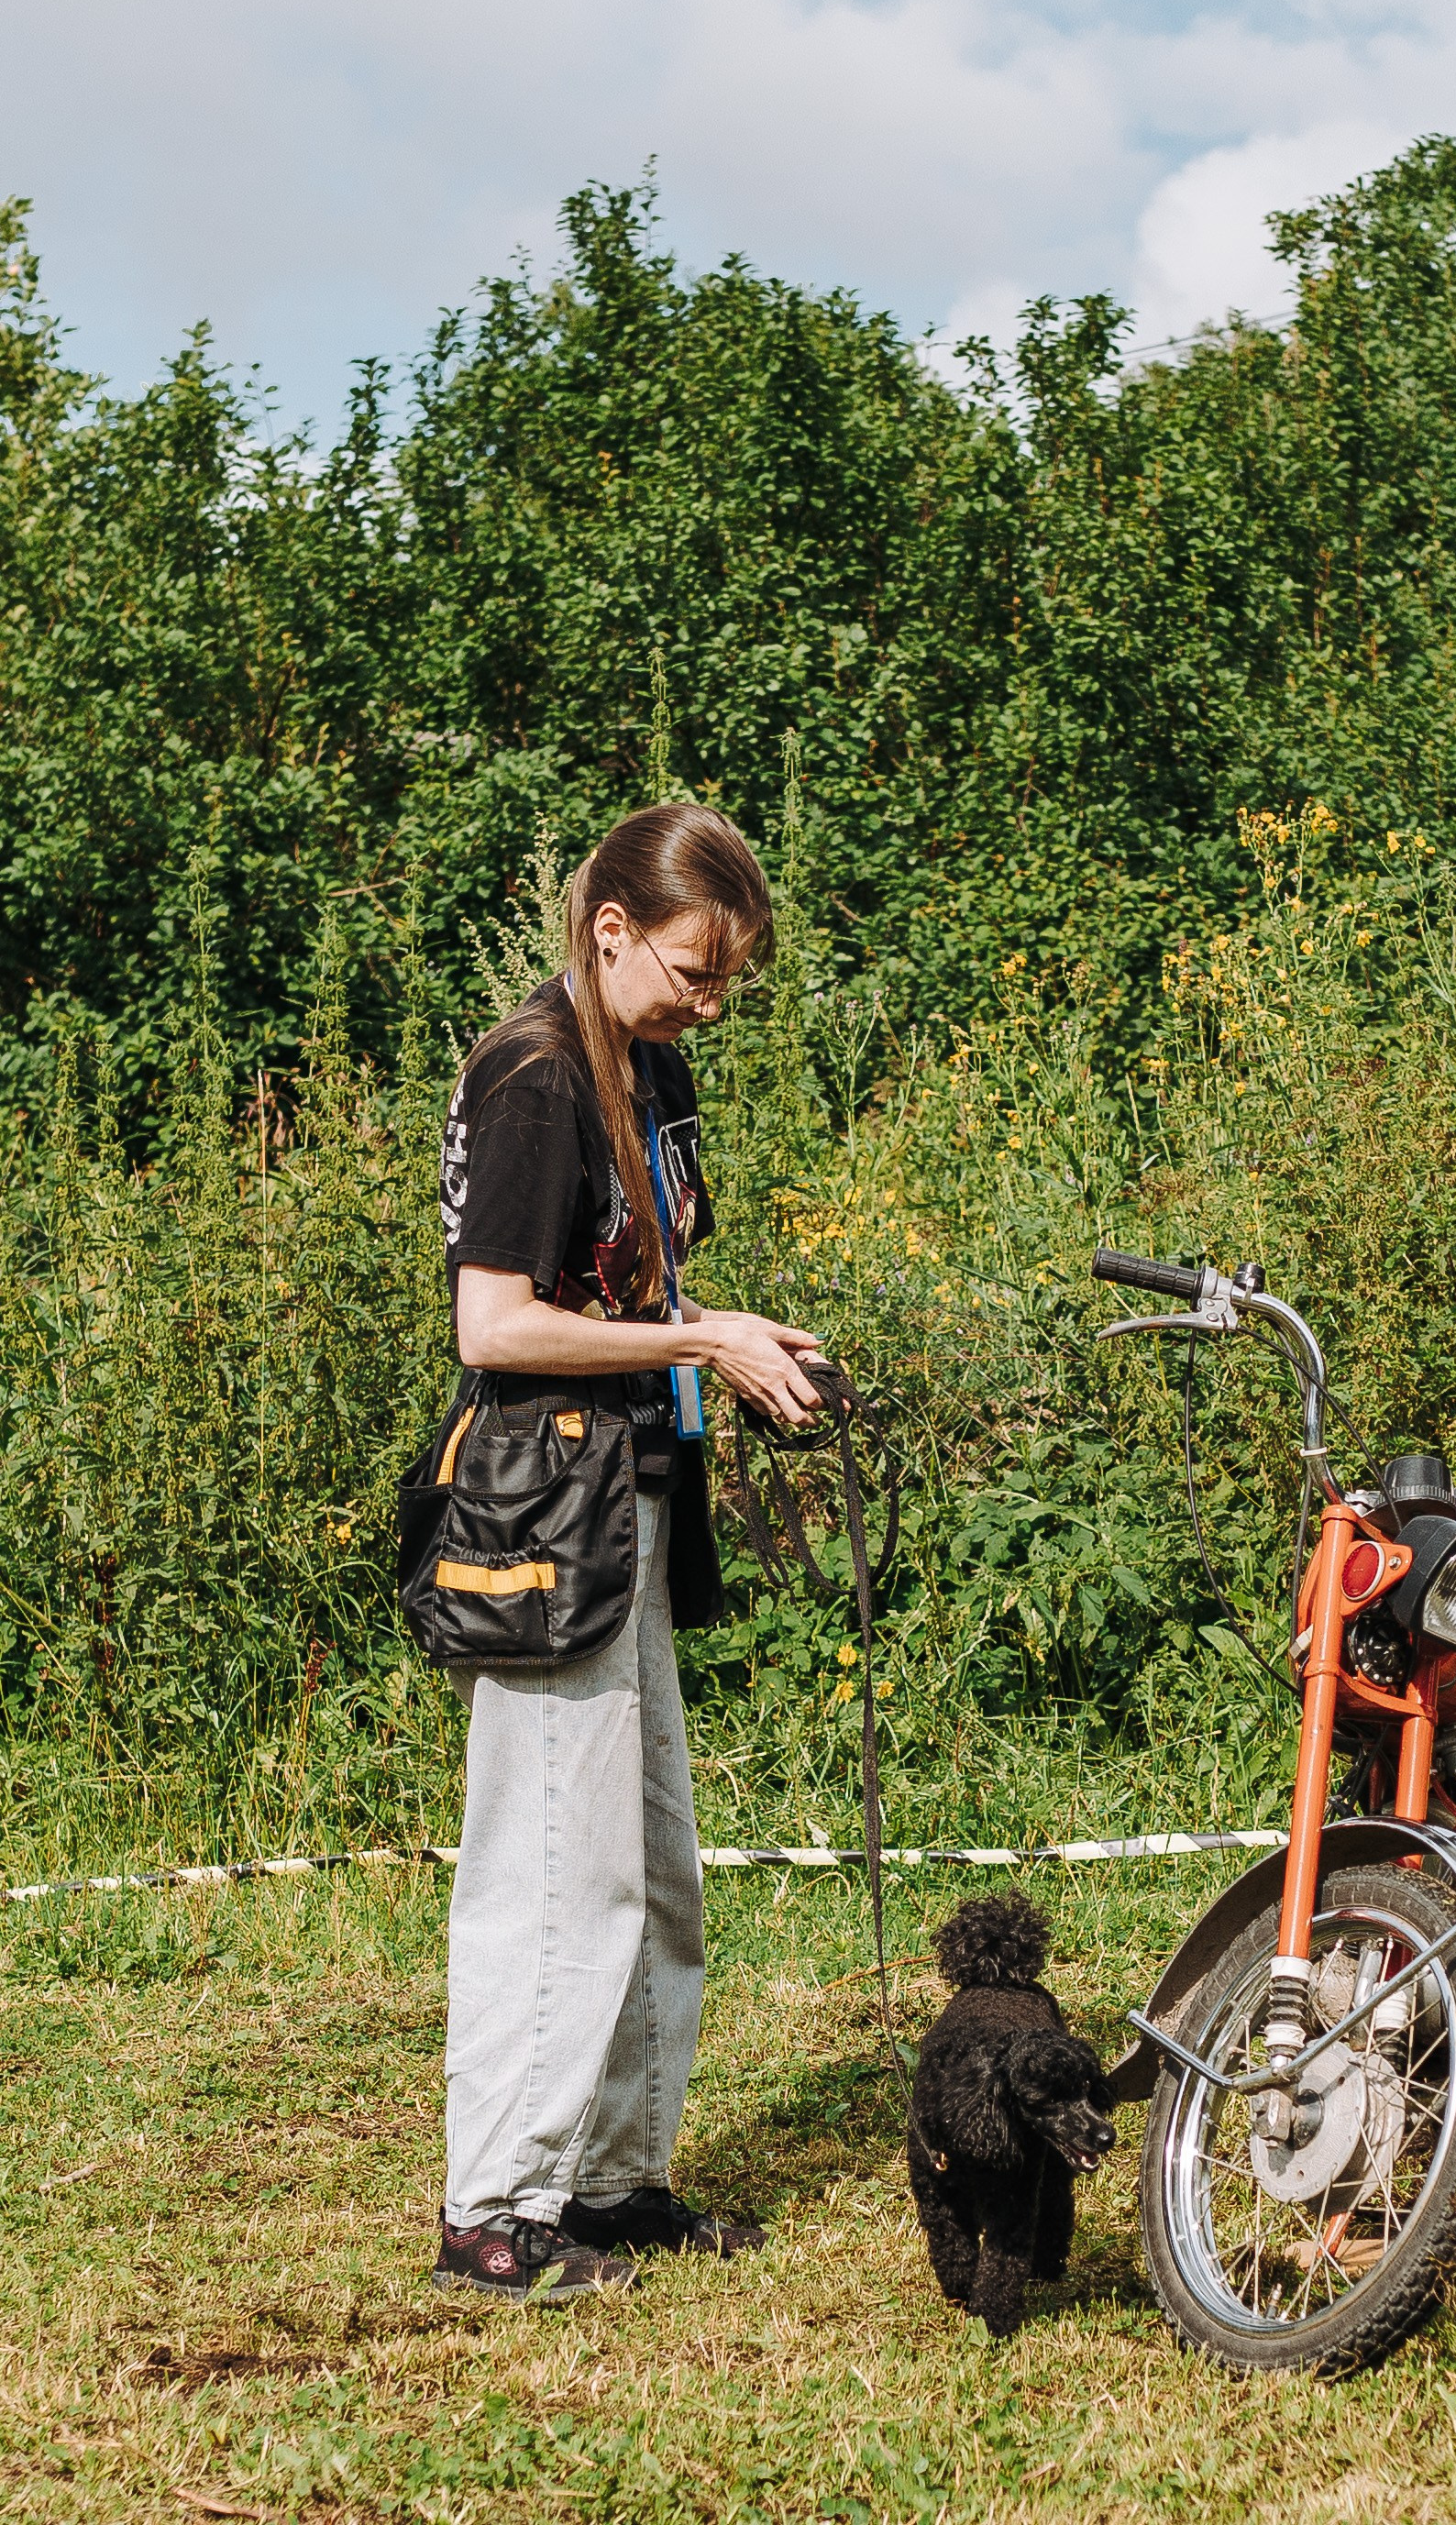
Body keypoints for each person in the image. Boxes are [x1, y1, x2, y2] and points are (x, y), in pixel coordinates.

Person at [430, 801, 821, 2302]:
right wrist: (700, 1338)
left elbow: (638, 1272)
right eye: (694, 971)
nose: (711, 1005)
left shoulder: (647, 1068)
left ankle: (608, 2180)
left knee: (652, 1866)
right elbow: (499, 1323)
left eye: (729, 981)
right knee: (552, 1866)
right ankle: (496, 2209)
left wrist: (736, 1339)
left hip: (637, 1492)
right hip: (544, 1509)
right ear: (610, 932)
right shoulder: (532, 1073)